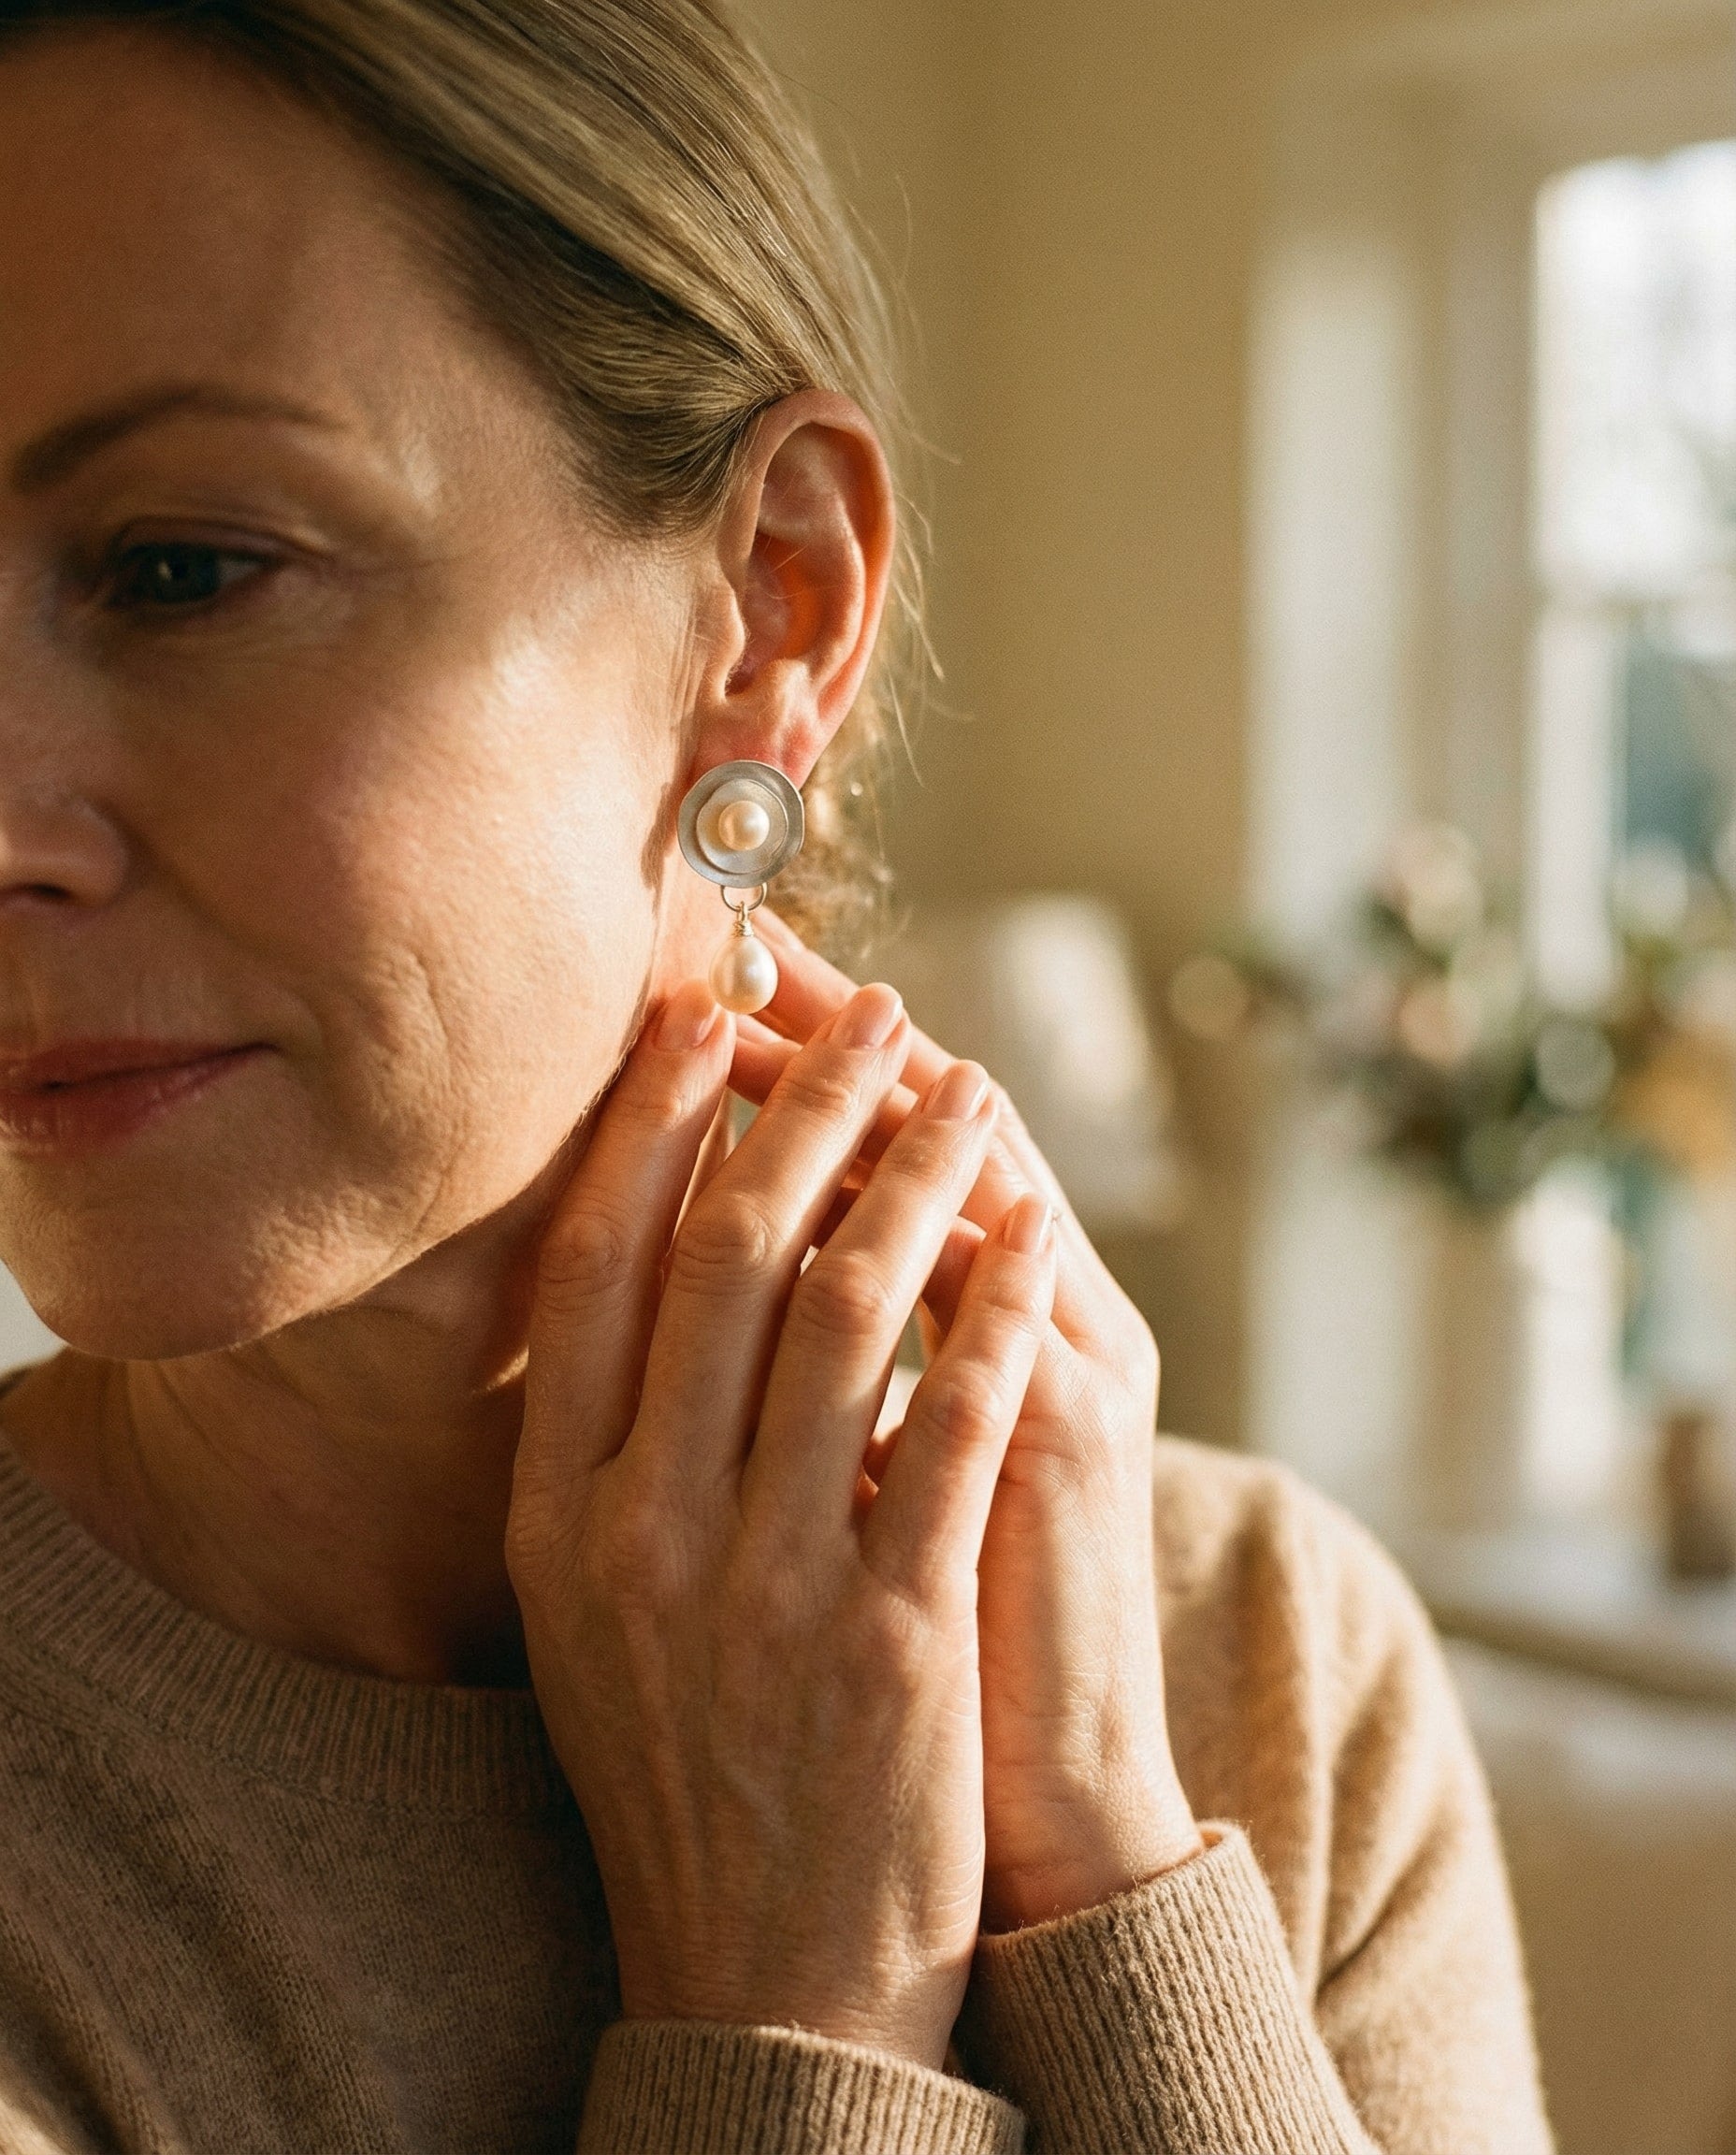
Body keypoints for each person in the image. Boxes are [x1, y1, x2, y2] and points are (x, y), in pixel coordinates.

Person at [0, 4, 1553, 2150]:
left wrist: (1101, 1876)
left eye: (183, 568)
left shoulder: (1260, 1677)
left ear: (769, 615)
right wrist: (794, 2007)